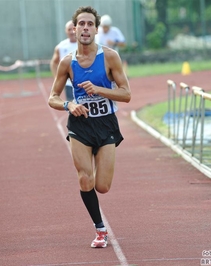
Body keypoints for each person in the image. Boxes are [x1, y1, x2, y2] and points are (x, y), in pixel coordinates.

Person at [48, 6, 131, 248]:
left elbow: (126, 94)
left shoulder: (110, 57)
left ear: (96, 29)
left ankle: (99, 214)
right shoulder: (67, 62)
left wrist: (100, 90)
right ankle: (100, 230)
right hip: (80, 125)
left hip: (106, 125)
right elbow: (52, 96)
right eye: (81, 24)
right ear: (74, 29)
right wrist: (68, 104)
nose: (85, 28)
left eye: (89, 24)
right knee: (85, 179)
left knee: (102, 186)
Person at [50, 20, 78, 101]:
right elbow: (53, 63)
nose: (72, 32)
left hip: (85, 81)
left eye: (73, 29)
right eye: (69, 29)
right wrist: (57, 79)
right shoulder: (61, 47)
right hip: (69, 84)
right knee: (72, 107)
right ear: (66, 31)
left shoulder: (84, 44)